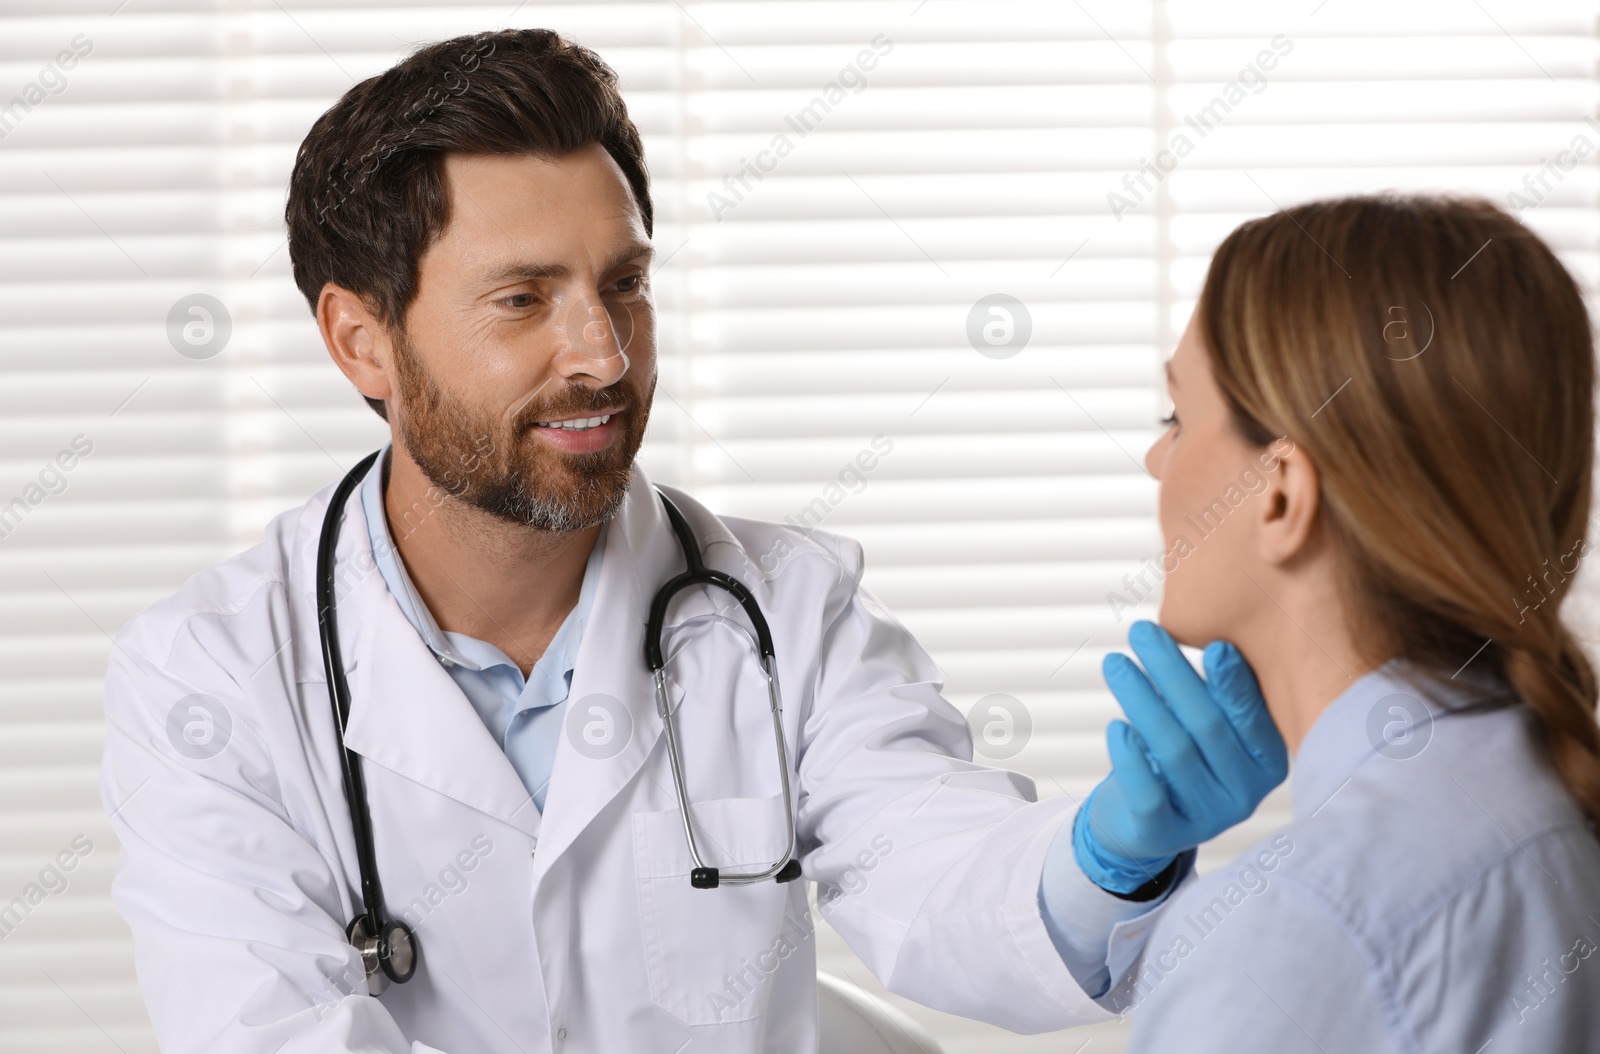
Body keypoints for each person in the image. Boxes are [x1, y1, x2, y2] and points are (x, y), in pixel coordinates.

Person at [97, 28, 1287, 1054]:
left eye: (623, 284)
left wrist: (1111, 853)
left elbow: (933, 881)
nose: (603, 355)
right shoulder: (212, 674)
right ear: (361, 341)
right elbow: (264, 1028)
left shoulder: (787, 609)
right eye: (523, 299)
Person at [1111, 193, 1600, 1051]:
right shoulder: (1545, 797)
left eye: (1177, 419)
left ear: (1281, 495)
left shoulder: (1290, 933)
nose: (1159, 460)